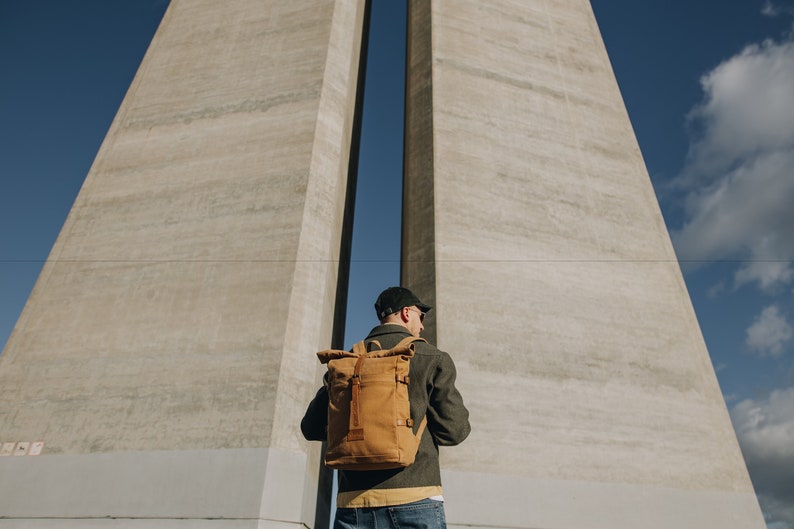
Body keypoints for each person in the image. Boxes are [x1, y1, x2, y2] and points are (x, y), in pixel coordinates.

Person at [301, 286, 471, 529]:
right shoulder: (431, 358)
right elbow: (455, 431)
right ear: (406, 313)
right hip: (416, 498)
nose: (422, 326)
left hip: (353, 505)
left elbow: (311, 428)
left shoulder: (345, 363)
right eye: (421, 317)